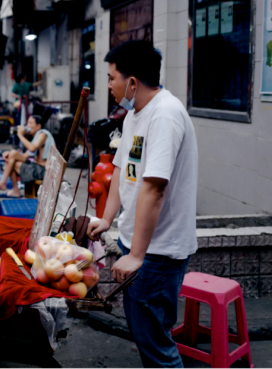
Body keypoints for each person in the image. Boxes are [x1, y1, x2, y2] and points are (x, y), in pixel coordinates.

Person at [87, 40, 198, 368]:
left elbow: (154, 189)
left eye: (112, 78)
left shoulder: (164, 115)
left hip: (158, 253)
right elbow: (123, 170)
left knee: (156, 346)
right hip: (138, 245)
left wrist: (136, 255)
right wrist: (107, 220)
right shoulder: (135, 113)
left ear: (132, 82)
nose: (109, 85)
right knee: (147, 333)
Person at [0, 115, 56, 198]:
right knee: (12, 155)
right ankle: (9, 186)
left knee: (13, 163)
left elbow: (32, 148)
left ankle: (8, 185)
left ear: (38, 126)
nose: (27, 126)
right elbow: (24, 156)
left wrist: (20, 135)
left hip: (43, 171)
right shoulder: (37, 136)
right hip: (37, 168)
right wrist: (9, 154)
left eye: (30, 123)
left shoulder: (43, 135)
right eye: (27, 123)